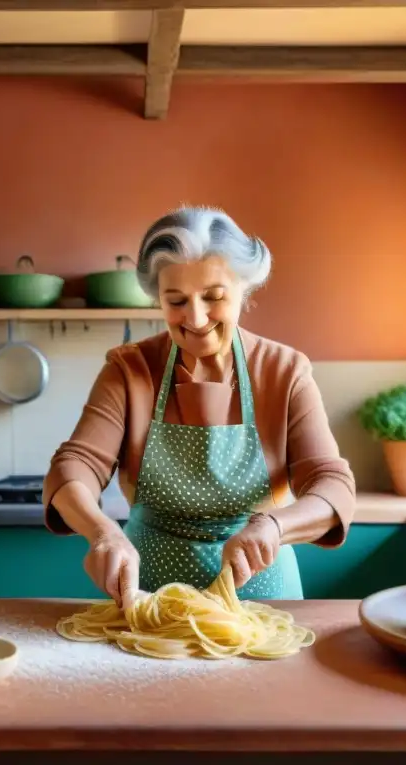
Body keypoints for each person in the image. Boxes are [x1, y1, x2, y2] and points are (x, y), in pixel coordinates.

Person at [42, 205, 356, 606]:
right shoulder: (129, 369)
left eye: (213, 297)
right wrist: (102, 531)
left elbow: (332, 485)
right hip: (148, 599)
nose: (195, 317)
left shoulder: (286, 371)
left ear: (244, 289)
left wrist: (274, 527)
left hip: (260, 599)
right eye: (176, 301)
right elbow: (75, 466)